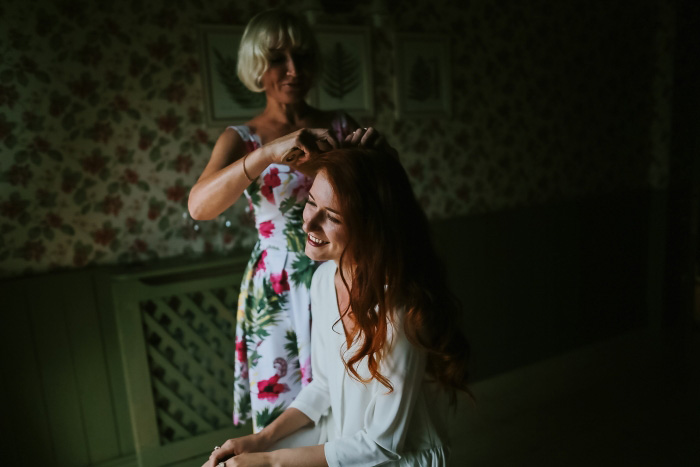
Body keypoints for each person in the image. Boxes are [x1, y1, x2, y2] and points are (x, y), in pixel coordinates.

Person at [204, 143, 471, 466]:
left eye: (331, 217)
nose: (309, 224)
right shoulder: (323, 279)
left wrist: (270, 461)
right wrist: (260, 440)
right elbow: (324, 385)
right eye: (311, 203)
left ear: (371, 227)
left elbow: (383, 445)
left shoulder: (399, 309)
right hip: (346, 442)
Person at [188, 9, 360, 433]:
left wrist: (378, 157)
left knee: (347, 399)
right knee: (284, 412)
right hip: (278, 285)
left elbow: (377, 202)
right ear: (256, 67)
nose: (293, 70)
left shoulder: (339, 125)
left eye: (301, 56)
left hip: (345, 274)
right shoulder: (241, 139)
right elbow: (199, 206)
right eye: (278, 58)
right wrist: (266, 154)